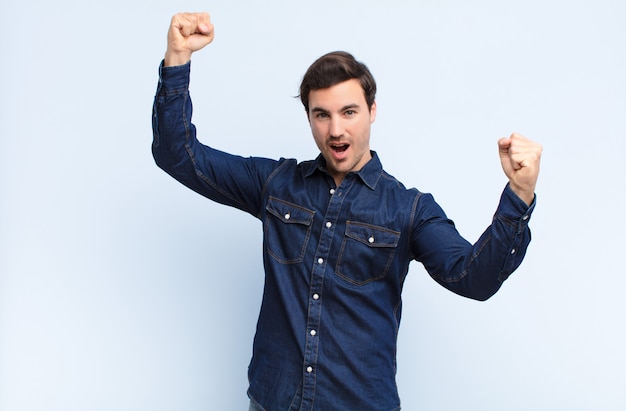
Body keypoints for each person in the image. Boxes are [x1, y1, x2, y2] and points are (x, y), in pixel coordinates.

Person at [152, 12, 542, 411]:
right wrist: (178, 58)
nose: (335, 129)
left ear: (372, 111)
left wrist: (518, 195)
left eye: (349, 112)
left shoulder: (409, 209)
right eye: (322, 115)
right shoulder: (277, 184)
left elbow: (473, 279)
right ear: (309, 118)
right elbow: (179, 156)